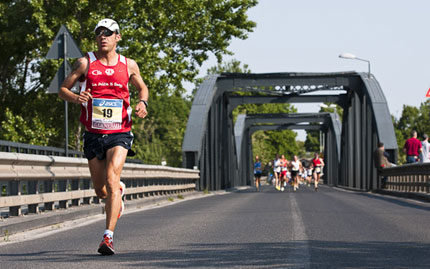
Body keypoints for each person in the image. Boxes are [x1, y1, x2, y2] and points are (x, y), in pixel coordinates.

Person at [59, 18, 149, 255]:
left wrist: (143, 102)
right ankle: (118, 190)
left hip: (120, 131)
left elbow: (142, 87)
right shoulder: (85, 63)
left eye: (108, 33)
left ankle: (107, 237)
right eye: (99, 33)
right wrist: (76, 97)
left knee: (111, 177)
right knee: (102, 190)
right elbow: (63, 90)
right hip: (93, 133)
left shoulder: (129, 65)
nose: (103, 37)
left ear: (118, 37)